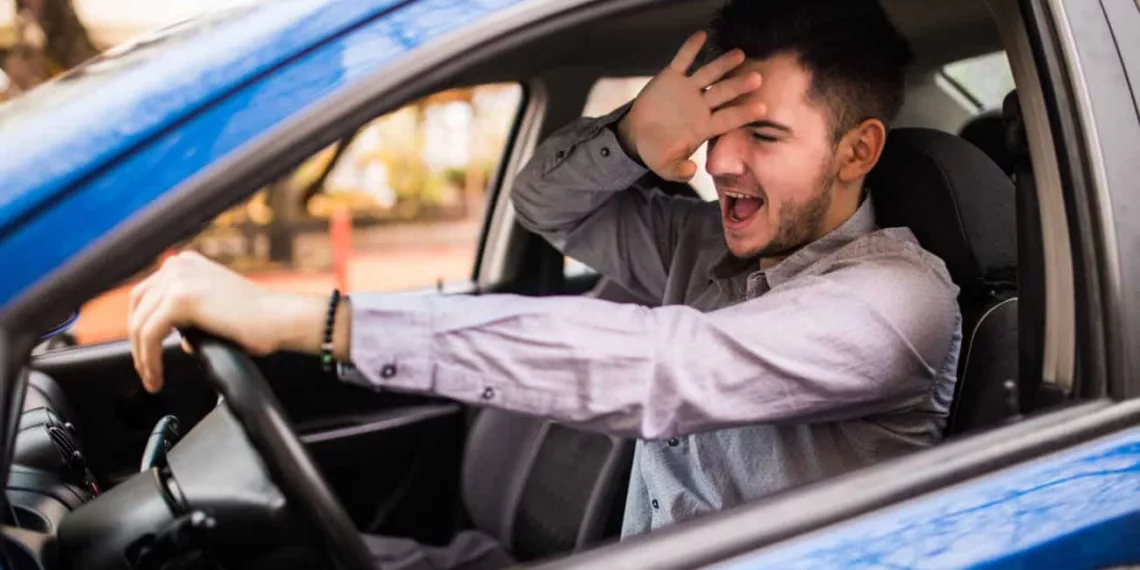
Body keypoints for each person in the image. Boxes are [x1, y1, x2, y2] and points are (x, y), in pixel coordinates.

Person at [127, 0, 960, 567]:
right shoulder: (698, 244)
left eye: (765, 135)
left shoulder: (897, 301)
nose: (721, 160)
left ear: (857, 152)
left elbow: (663, 367)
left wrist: (322, 320)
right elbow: (544, 205)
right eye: (715, 128)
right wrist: (635, 136)